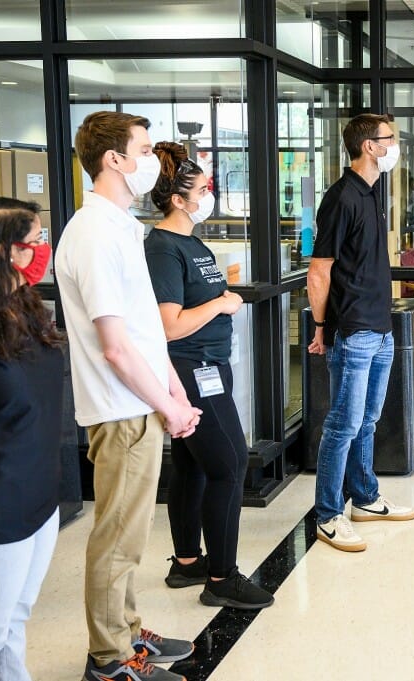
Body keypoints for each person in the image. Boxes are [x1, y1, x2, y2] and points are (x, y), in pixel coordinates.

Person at [55, 111, 202, 681]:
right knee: (117, 538)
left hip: (142, 403)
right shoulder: (91, 233)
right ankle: (110, 660)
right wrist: (166, 405)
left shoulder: (121, 226)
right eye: (142, 150)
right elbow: (115, 347)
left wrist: (175, 389)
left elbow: (143, 327)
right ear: (113, 159)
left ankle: (128, 630)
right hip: (121, 410)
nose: (151, 161)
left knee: (132, 536)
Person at [144, 142, 274, 610]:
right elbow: (169, 324)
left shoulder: (192, 242)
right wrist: (221, 302)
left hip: (212, 362)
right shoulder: (161, 248)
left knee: (193, 462)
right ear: (178, 199)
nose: (209, 196)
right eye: (203, 190)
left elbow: (195, 296)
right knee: (230, 463)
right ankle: (221, 578)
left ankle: (186, 562)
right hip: (192, 367)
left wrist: (222, 286)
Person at [307, 113, 414, 553]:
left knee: (368, 421)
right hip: (352, 331)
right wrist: (320, 327)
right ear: (370, 146)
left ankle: (365, 498)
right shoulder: (341, 198)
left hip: (380, 327)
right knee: (343, 424)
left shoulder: (373, 192)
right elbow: (319, 271)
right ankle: (328, 513)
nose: (396, 146)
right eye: (391, 139)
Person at [0, 196, 63, 681]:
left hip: (38, 498)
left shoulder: (25, 307)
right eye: (33, 242)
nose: (42, 250)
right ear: (0, 252)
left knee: (15, 622)